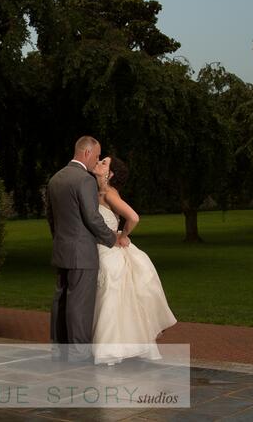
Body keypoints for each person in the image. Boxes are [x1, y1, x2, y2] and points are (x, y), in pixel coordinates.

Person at [46, 136, 127, 360]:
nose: (97, 161)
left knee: (60, 301)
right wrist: (112, 239)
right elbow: (92, 218)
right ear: (86, 153)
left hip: (62, 250)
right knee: (79, 305)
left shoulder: (55, 179)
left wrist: (60, 238)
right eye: (97, 156)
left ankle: (59, 350)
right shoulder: (84, 180)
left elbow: (51, 217)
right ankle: (79, 355)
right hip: (82, 253)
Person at [91, 155, 177, 364]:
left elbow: (134, 217)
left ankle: (109, 351)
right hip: (100, 248)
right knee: (113, 299)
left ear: (109, 174)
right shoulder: (100, 191)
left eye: (104, 163)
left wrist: (123, 236)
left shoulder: (109, 193)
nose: (99, 162)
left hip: (107, 249)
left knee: (110, 297)